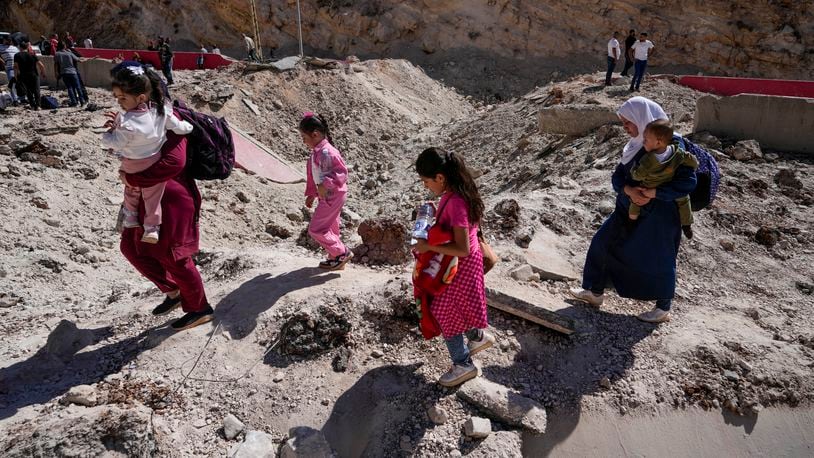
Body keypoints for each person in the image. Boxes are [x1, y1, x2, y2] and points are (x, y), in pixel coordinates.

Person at [569, 97, 696, 324]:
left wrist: (654, 194)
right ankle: (594, 292)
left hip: (661, 216)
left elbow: (687, 183)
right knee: (603, 243)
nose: (625, 127)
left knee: (659, 258)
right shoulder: (639, 143)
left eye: (628, 122)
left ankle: (663, 307)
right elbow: (618, 176)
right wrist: (628, 189)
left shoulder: (671, 147)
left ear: (641, 118)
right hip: (627, 209)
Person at [116, 85, 214, 331]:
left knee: (173, 254)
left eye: (124, 95)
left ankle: (199, 308)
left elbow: (173, 163)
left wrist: (132, 180)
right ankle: (174, 291)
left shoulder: (170, 120)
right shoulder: (140, 119)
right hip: (144, 198)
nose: (121, 101)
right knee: (131, 247)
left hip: (172, 199)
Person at [414, 147, 495, 387]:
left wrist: (429, 246)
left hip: (461, 266)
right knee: (456, 307)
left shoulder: (456, 203)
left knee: (443, 311)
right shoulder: (457, 193)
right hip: (460, 266)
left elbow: (463, 249)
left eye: (426, 181)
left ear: (440, 177)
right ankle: (477, 337)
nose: (426, 186)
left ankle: (463, 364)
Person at [102, 66, 193, 244]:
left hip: (130, 163)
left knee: (131, 191)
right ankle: (152, 228)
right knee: (153, 198)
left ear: (141, 96)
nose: (120, 103)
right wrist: (189, 127)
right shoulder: (161, 111)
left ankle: (130, 218)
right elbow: (179, 126)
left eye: (122, 98)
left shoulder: (128, 121)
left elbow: (116, 143)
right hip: (152, 160)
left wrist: (108, 134)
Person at [300, 113, 353, 270]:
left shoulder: (327, 152)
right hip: (328, 195)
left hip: (333, 195)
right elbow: (314, 175)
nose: (303, 141)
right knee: (330, 227)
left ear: (315, 134)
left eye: (304, 137)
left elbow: (341, 172)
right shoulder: (316, 153)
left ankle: (341, 252)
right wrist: (311, 193)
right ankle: (336, 258)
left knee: (316, 229)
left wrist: (325, 184)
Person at [630, 120, 698, 239]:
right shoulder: (677, 152)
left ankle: (631, 222)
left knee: (636, 201)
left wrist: (633, 169)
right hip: (668, 183)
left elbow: (638, 176)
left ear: (658, 142)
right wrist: (694, 166)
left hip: (649, 187)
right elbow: (692, 160)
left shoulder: (648, 160)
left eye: (646, 139)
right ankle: (687, 225)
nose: (643, 141)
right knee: (684, 200)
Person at [13, 40, 45, 110]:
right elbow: (41, 65)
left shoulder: (17, 55)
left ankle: (33, 106)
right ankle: (38, 106)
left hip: (24, 75)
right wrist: (43, 73)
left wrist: (16, 76)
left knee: (28, 91)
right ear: (27, 47)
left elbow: (15, 67)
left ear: (20, 48)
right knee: (36, 90)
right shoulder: (32, 55)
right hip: (34, 75)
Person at [54, 40, 87, 106]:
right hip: (73, 72)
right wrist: (87, 59)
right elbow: (79, 60)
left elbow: (56, 65)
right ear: (65, 46)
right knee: (78, 87)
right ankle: (82, 101)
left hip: (64, 73)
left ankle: (74, 102)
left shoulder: (57, 54)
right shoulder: (69, 53)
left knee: (70, 88)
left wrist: (56, 73)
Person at [0, 37, 20, 105]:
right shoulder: (1, 46)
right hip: (11, 68)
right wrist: (2, 61)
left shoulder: (14, 48)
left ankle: (18, 99)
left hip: (15, 68)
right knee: (13, 84)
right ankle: (16, 100)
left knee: (15, 84)